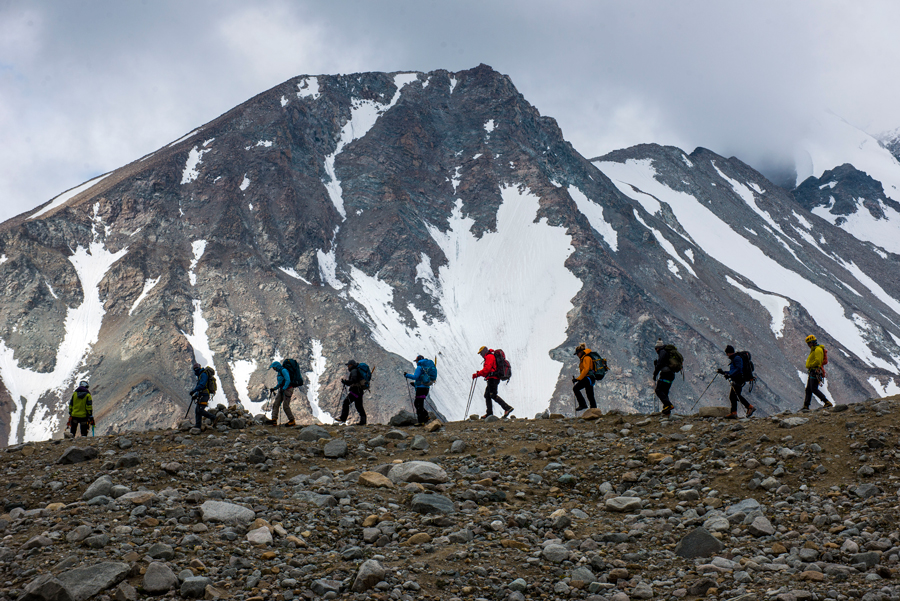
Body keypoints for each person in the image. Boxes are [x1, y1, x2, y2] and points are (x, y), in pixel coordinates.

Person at [472, 346, 514, 419]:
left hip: (493, 379)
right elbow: (488, 370)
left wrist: (477, 374)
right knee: (487, 395)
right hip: (493, 378)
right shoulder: (490, 356)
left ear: (484, 352)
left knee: (492, 395)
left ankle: (507, 408)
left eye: (481, 353)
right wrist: (479, 373)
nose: (481, 355)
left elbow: (487, 369)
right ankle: (489, 413)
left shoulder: (489, 357)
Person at [717, 345, 755, 419]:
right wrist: (723, 372)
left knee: (734, 396)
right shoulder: (735, 358)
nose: (727, 355)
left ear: (729, 353)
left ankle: (748, 407)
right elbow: (733, 371)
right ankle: (735, 412)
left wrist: (729, 375)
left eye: (727, 353)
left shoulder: (737, 358)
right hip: (737, 379)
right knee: (734, 396)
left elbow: (738, 369)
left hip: (739, 379)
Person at [802, 334, 834, 411]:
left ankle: (826, 402)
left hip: (815, 371)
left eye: (809, 343)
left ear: (812, 342)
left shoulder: (817, 350)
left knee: (813, 388)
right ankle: (806, 406)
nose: (808, 345)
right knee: (809, 389)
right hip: (813, 371)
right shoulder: (814, 349)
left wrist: (810, 365)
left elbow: (818, 361)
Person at [404, 355, 434, 425]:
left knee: (418, 404)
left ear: (418, 361)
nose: (416, 362)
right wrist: (415, 385)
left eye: (416, 361)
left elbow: (416, 377)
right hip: (426, 389)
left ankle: (421, 421)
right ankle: (425, 416)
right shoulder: (426, 368)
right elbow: (422, 379)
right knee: (419, 403)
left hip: (420, 389)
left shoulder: (419, 368)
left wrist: (407, 375)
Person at [266, 361, 296, 427]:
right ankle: (274, 419)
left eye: (274, 367)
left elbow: (288, 380)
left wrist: (284, 388)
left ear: (277, 366)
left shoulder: (284, 371)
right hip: (282, 389)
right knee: (276, 403)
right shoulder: (280, 372)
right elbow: (280, 383)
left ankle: (292, 421)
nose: (274, 369)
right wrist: (274, 388)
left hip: (287, 390)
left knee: (285, 406)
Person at [190, 362, 218, 430]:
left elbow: (202, 386)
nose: (195, 370)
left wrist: (194, 391)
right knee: (197, 410)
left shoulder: (203, 375)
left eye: (195, 369)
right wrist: (196, 395)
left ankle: (213, 418)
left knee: (200, 410)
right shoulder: (201, 375)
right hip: (202, 395)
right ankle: (198, 426)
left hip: (204, 395)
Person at [338, 360, 367, 425]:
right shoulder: (357, 370)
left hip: (355, 391)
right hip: (359, 392)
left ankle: (343, 418)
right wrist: (347, 382)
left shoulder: (354, 371)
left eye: (348, 365)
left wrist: (346, 382)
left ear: (351, 365)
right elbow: (354, 381)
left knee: (346, 402)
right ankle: (363, 422)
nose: (348, 367)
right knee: (359, 406)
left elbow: (354, 380)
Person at [652, 339, 675, 416]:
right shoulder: (667, 352)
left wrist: (655, 374)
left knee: (658, 390)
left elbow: (660, 365)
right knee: (664, 392)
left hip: (665, 374)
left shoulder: (662, 352)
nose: (655, 351)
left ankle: (669, 405)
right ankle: (667, 411)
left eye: (655, 349)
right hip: (671, 375)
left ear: (658, 348)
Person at [572, 343, 597, 411]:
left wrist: (578, 379)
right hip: (590, 379)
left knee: (576, 388)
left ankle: (583, 405)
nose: (577, 355)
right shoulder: (586, 358)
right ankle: (594, 409)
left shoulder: (586, 358)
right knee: (590, 394)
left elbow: (586, 369)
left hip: (588, 378)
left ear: (581, 352)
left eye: (577, 353)